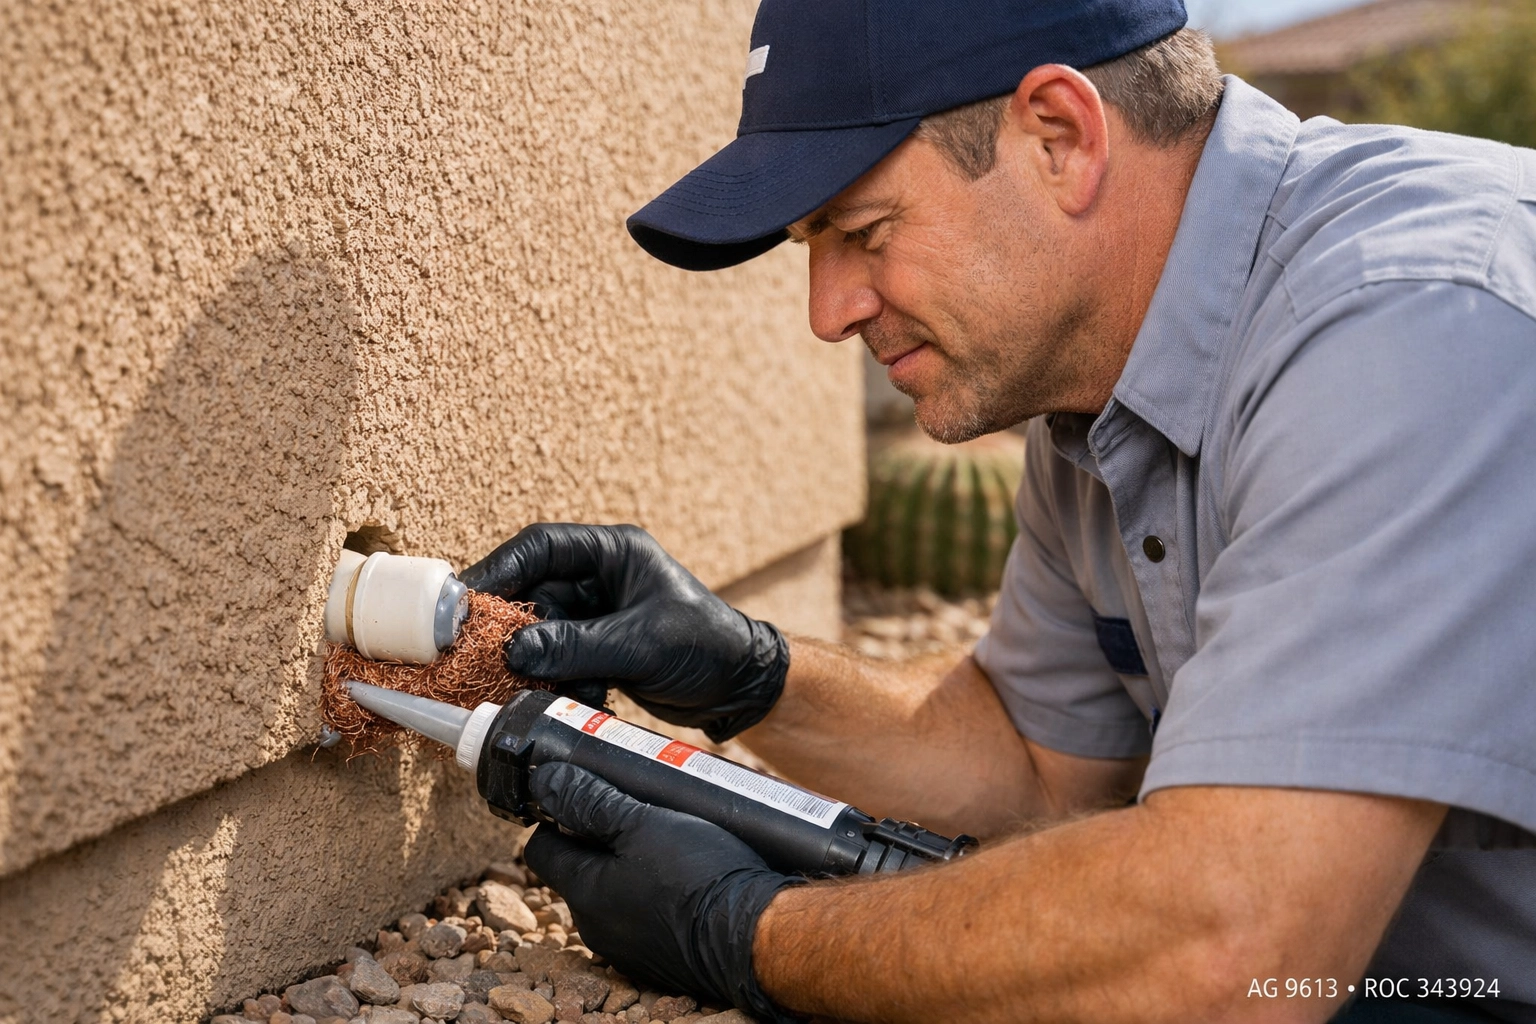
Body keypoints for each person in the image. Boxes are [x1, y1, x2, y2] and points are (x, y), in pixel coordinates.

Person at [461, 1, 1536, 1021]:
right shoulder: (1099, 389)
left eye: (863, 231)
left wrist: (753, 935)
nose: (829, 311)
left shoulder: (1415, 324)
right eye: (812, 245)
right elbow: (1038, 767)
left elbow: (1233, 952)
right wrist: (746, 673)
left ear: (1059, 137)